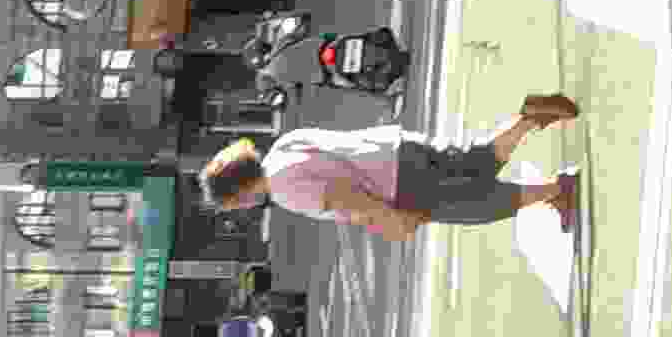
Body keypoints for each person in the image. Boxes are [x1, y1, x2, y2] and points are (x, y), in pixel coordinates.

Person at [202, 93, 580, 238]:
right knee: (474, 162)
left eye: (235, 203)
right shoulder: (285, 144)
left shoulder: (284, 191)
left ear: (240, 192)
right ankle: (529, 118)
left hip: (400, 186)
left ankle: (557, 190)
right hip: (397, 147)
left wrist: (391, 221)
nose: (242, 207)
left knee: (479, 205)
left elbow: (343, 196)